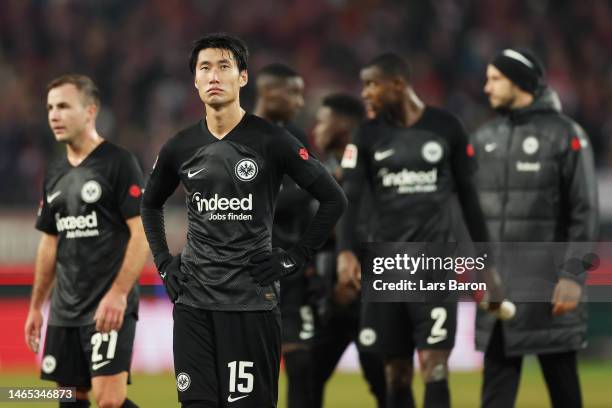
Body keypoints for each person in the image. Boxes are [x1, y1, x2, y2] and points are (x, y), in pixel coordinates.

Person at [140, 33, 347, 408]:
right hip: (194, 303)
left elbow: (334, 198)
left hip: (251, 302)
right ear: (195, 81)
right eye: (205, 68)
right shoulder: (179, 147)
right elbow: (149, 205)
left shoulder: (272, 140)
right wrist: (164, 264)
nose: (214, 75)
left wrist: (293, 256)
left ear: (243, 77)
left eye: (224, 66)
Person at [336, 53, 492, 408]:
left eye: (373, 85)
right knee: (397, 371)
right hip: (386, 268)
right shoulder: (367, 135)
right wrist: (347, 251)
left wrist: (486, 261)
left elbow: (469, 200)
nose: (366, 93)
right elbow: (352, 199)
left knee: (435, 366)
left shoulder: (446, 127)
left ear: (398, 85)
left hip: (435, 266)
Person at [472, 48, 599, 408]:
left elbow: (584, 212)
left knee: (564, 393)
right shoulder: (483, 138)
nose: (486, 87)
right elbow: (472, 215)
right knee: (494, 397)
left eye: (495, 78)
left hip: (549, 292)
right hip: (500, 293)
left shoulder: (566, 135)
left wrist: (573, 276)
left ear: (520, 82)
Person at [24, 74, 148, 408]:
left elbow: (141, 233)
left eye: (63, 106)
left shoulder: (118, 163)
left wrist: (119, 294)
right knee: (70, 399)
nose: (53, 115)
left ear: (90, 111)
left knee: (109, 400)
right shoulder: (54, 173)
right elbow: (49, 243)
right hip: (65, 310)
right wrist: (37, 306)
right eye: (50, 107)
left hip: (107, 307)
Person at [311, 93, 386, 408]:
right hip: (331, 297)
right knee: (307, 379)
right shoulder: (323, 168)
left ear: (342, 126)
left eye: (322, 121)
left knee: (386, 381)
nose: (316, 129)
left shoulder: (374, 170)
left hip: (369, 294)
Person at [254, 63, 319, 408]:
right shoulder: (242, 135)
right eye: (292, 92)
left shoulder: (297, 134)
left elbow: (309, 200)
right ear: (267, 93)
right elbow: (252, 204)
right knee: (252, 365)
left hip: (291, 265)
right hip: (252, 266)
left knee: (300, 361)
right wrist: (311, 189)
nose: (300, 100)